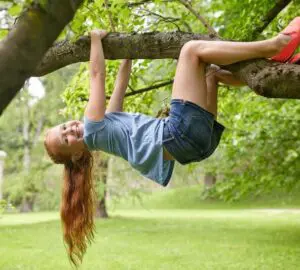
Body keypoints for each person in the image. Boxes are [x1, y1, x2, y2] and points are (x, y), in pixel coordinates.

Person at [44, 18, 300, 265]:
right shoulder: (93, 127)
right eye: (66, 140)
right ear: (78, 155)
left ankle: (275, 70)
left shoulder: (105, 127)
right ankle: (275, 45)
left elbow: (119, 87)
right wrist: (96, 40)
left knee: (211, 74)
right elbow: (97, 75)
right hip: (180, 134)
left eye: (65, 127)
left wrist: (126, 54)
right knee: (191, 51)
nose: (71, 131)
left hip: (198, 144)